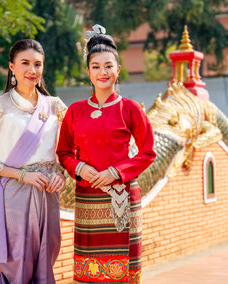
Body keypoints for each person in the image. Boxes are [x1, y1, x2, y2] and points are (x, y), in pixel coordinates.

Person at [56, 25, 156, 283]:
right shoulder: (75, 112)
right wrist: (78, 168)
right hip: (88, 200)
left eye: (108, 66)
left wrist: (116, 172)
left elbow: (147, 152)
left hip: (121, 200)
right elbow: (63, 152)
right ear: (88, 72)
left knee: (123, 273)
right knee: (89, 271)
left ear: (118, 70)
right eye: (97, 67)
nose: (103, 72)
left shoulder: (130, 109)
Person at [0, 39, 67, 284]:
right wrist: (21, 175)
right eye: (25, 63)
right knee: (18, 265)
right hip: (15, 194)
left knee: (46, 263)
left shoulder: (55, 107)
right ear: (12, 67)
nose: (32, 70)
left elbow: (65, 153)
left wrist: (61, 174)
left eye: (37, 64)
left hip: (48, 193)